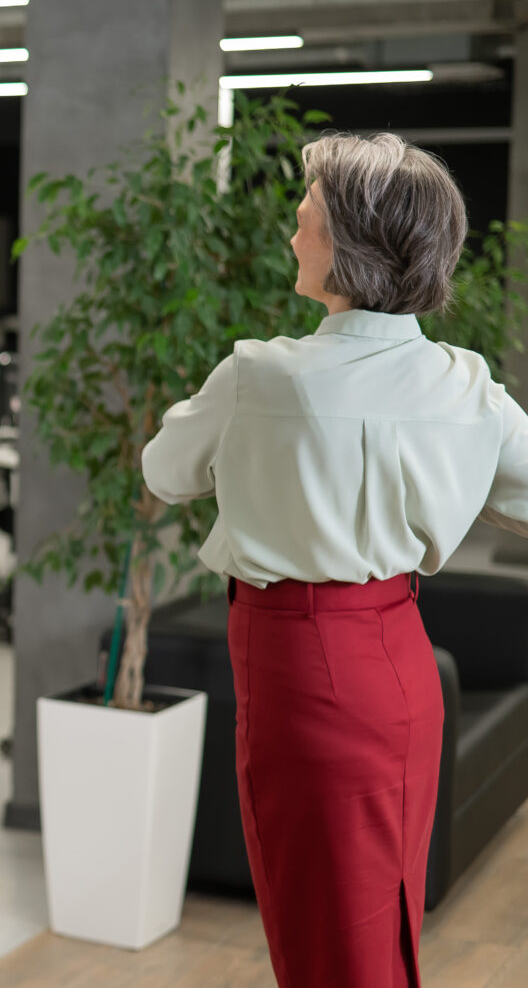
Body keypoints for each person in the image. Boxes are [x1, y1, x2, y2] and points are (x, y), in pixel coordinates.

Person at [142, 133, 528, 987]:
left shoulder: (260, 376)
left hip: (302, 668)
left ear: (350, 244)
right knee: (370, 923)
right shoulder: (468, 385)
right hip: (401, 658)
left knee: (325, 938)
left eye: (306, 218)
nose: (292, 235)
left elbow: (164, 474)